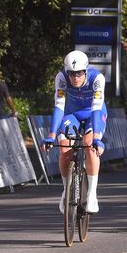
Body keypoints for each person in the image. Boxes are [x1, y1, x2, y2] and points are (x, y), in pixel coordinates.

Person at [43, 50, 107, 214]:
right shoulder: (61, 78)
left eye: (79, 73)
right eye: (71, 74)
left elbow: (96, 108)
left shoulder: (97, 79)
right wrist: (51, 135)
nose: (75, 77)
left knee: (89, 146)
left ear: (85, 71)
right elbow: (59, 106)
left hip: (94, 112)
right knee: (64, 149)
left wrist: (97, 137)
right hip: (71, 114)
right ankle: (66, 191)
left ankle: (92, 194)